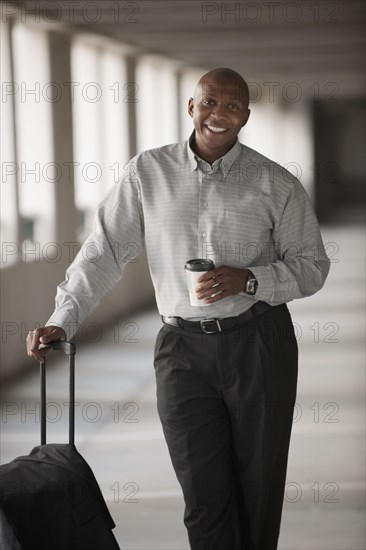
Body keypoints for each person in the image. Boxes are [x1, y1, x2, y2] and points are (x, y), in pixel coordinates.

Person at [27, 67, 330, 549]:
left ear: (246, 116)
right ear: (191, 107)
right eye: (210, 102)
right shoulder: (148, 173)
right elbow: (103, 251)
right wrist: (64, 318)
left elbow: (313, 266)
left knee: (258, 489)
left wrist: (249, 279)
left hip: (260, 342)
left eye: (232, 106)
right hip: (182, 351)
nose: (219, 114)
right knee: (204, 494)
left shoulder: (276, 183)